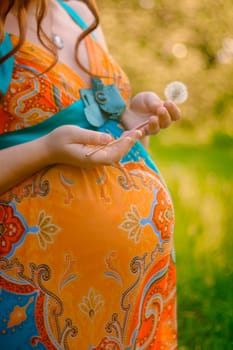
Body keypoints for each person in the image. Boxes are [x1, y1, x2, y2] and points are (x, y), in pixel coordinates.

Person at [0, 1, 181, 349]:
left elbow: (97, 124)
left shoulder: (77, 11)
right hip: (37, 302)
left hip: (137, 295)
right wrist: (44, 150)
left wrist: (130, 118)